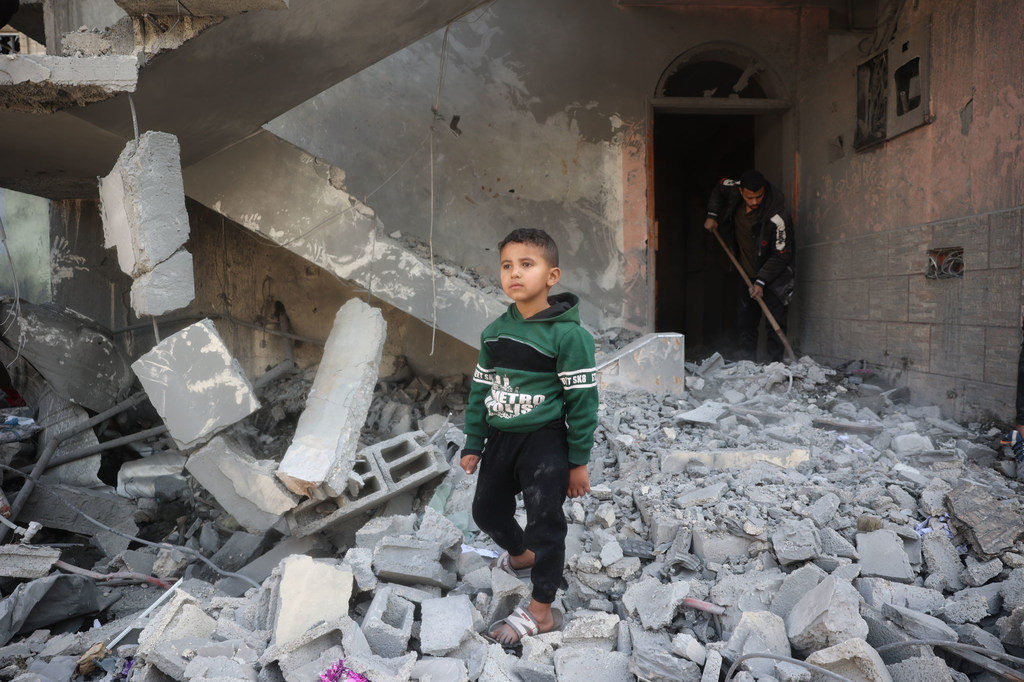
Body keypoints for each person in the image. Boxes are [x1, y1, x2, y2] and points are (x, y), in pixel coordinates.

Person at [460, 228, 598, 646]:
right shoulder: (494, 333)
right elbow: (480, 390)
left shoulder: (569, 336)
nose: (514, 273)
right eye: (507, 265)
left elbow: (582, 403)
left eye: (527, 264)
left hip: (544, 442)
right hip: (501, 438)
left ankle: (541, 611)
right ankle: (521, 558)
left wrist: (577, 462)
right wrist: (473, 441)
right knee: (486, 512)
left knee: (546, 525)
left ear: (552, 275)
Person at [702, 169, 795, 362]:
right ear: (741, 191)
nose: (754, 202)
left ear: (764, 190)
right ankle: (747, 365)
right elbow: (719, 187)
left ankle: (775, 367)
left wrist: (761, 282)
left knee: (775, 323)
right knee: (746, 323)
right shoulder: (732, 189)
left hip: (774, 277)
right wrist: (712, 215)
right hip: (746, 272)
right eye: (750, 197)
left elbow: (781, 256)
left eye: (759, 196)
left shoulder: (778, 217)